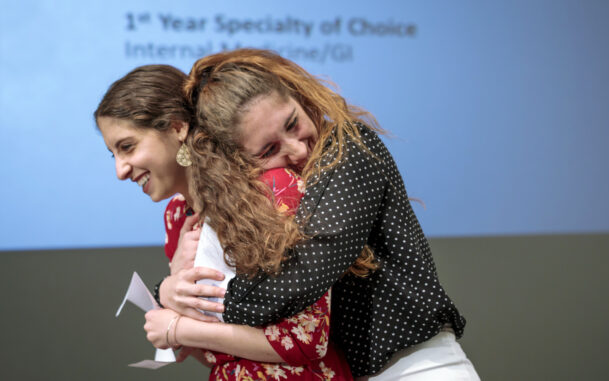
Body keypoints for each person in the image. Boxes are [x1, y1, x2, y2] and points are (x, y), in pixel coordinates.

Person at [157, 48, 479, 379]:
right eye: (269, 150)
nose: (297, 148)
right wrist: (171, 291)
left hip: (419, 367)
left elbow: (300, 277)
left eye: (293, 123)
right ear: (237, 161)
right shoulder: (274, 190)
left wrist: (182, 310)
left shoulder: (348, 147)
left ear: (298, 94)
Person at [94, 65, 354, 380]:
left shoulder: (272, 189)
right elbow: (214, 355)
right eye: (113, 155)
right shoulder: (177, 215)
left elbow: (305, 342)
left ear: (177, 127)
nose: (120, 170)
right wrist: (171, 290)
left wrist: (177, 327)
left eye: (127, 147)